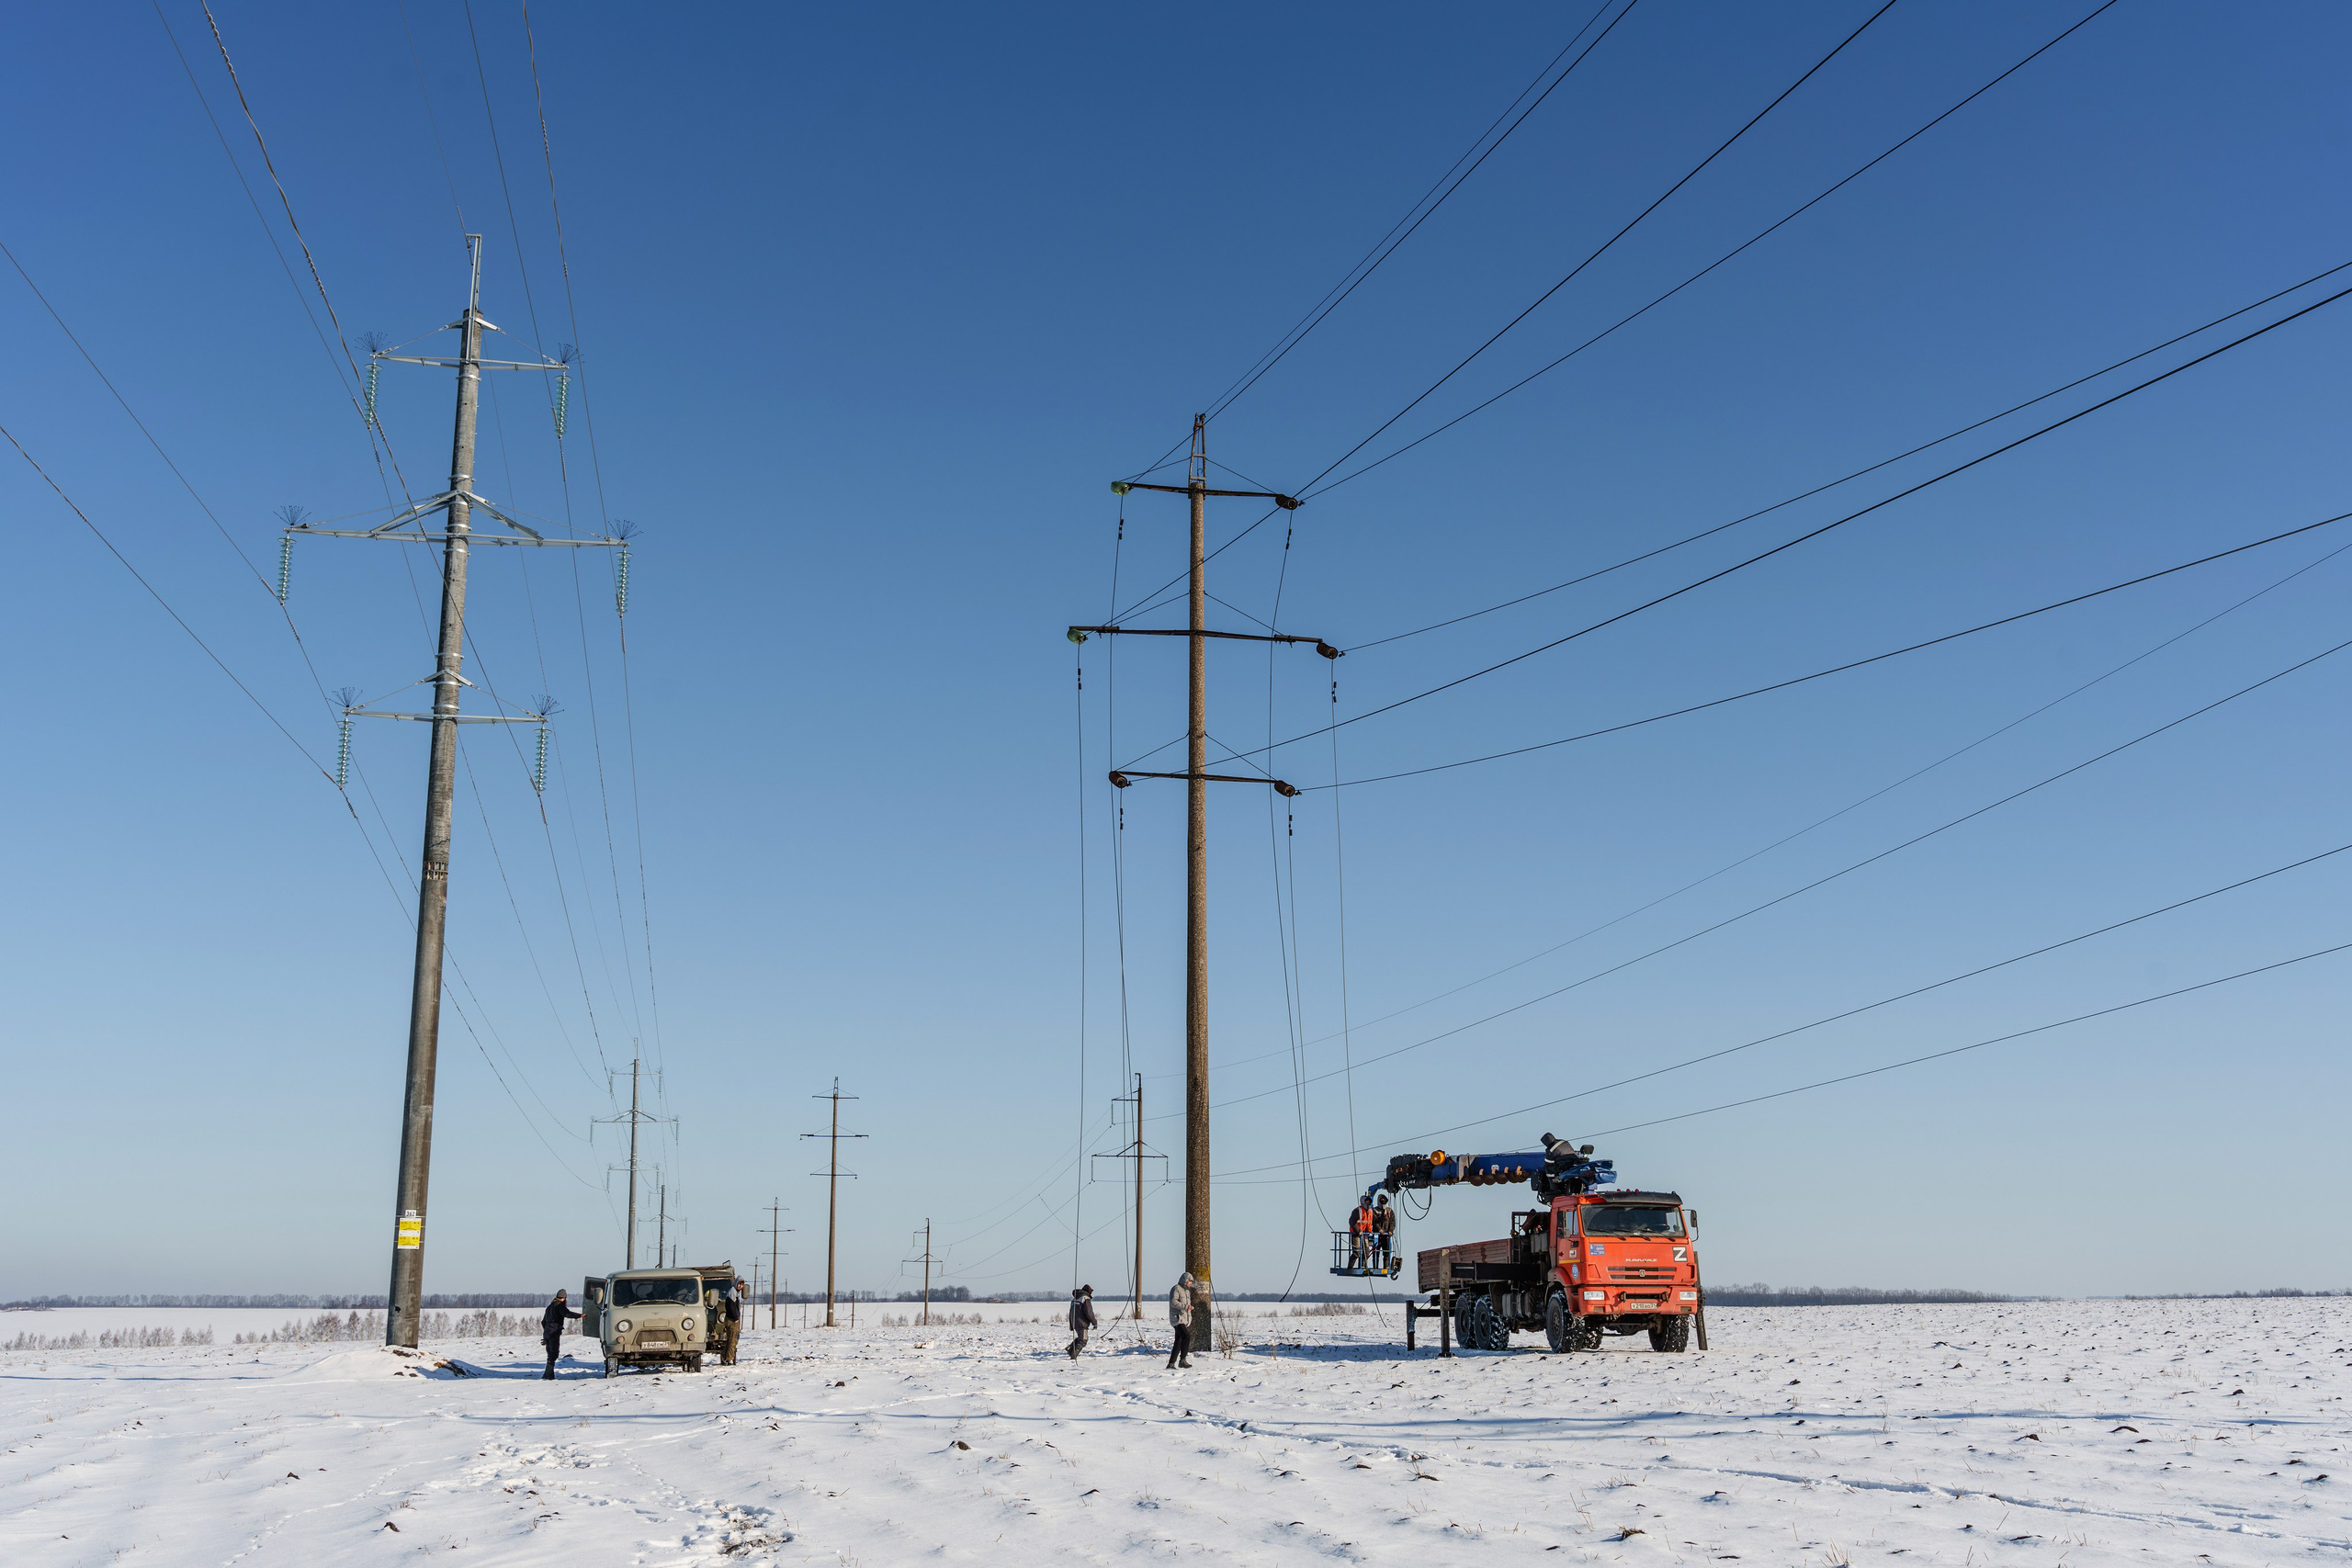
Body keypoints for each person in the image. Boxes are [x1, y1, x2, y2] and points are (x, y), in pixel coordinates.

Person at [540, 1289, 582, 1380]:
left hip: (547, 1332)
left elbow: (543, 1322)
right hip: (554, 1332)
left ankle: (548, 1374)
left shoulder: (550, 1307)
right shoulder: (560, 1306)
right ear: (564, 1298)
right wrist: (580, 1316)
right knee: (554, 1353)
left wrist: (547, 1332)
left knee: (550, 1353)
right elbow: (567, 1314)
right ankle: (548, 1375)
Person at [1166, 1272, 1197, 1369]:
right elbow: (1173, 1302)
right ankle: (1182, 1360)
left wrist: (1189, 1315)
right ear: (1185, 1281)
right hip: (1177, 1319)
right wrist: (1186, 1307)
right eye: (1189, 1282)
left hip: (1183, 1319)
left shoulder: (1187, 1292)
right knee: (1186, 1336)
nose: (1190, 1284)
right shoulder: (1176, 1289)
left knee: (1178, 1340)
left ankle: (1171, 1364)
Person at [1065, 1284, 1097, 1359]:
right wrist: (1094, 1322)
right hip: (1082, 1322)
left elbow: (1071, 1312)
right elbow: (1089, 1312)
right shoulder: (1085, 1298)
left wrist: (1071, 1325)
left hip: (1075, 1322)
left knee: (1080, 1338)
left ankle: (1070, 1348)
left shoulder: (1074, 1299)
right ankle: (1073, 1356)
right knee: (1083, 1340)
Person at [719, 1280, 743, 1365]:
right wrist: (735, 1317)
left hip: (730, 1319)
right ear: (736, 1283)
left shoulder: (735, 1292)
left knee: (730, 1340)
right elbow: (731, 1306)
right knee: (733, 1340)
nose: (740, 1286)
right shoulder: (733, 1292)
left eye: (742, 1284)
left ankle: (724, 1357)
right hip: (732, 1320)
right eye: (739, 1284)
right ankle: (730, 1359)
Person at [1348, 1200, 1374, 1269]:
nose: (1368, 1203)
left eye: (1369, 1202)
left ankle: (1362, 1266)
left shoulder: (1370, 1211)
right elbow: (1352, 1221)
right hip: (1356, 1234)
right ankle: (1350, 1266)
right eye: (1367, 1201)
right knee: (1357, 1252)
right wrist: (1358, 1230)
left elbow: (1373, 1221)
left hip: (1365, 1234)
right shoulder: (1357, 1211)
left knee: (1367, 1251)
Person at [1374, 1194, 1396, 1270]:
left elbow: (1392, 1222)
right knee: (1376, 1251)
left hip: (1386, 1235)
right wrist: (1379, 1229)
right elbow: (1374, 1221)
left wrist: (1390, 1231)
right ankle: (1375, 1266)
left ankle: (1386, 1266)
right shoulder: (1375, 1210)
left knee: (1386, 1251)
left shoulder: (1389, 1211)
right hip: (1377, 1235)